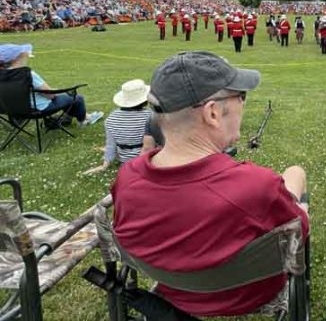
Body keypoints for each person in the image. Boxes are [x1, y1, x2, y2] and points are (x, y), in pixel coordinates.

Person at [112, 51, 309, 317]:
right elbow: (299, 231)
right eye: (241, 96)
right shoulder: (257, 186)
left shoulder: (127, 177)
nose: (243, 103)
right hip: (244, 296)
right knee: (295, 173)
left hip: (170, 289)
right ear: (213, 113)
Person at [0, 43, 103, 127]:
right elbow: (50, 95)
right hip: (36, 109)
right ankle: (84, 120)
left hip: (8, 109)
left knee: (64, 96)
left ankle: (67, 117)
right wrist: (58, 91)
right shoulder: (26, 74)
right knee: (77, 97)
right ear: (15, 59)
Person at [83, 79, 152, 174]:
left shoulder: (111, 118)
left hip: (124, 159)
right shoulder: (150, 116)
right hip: (147, 158)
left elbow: (111, 145)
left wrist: (104, 165)